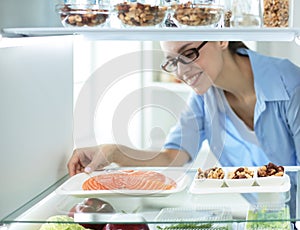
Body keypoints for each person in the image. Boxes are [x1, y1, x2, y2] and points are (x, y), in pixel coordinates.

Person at [68, 41, 300, 176]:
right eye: (172, 62)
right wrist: (112, 152)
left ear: (221, 39)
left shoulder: (290, 85)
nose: (180, 72)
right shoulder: (203, 98)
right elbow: (173, 156)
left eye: (189, 54)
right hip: (266, 218)